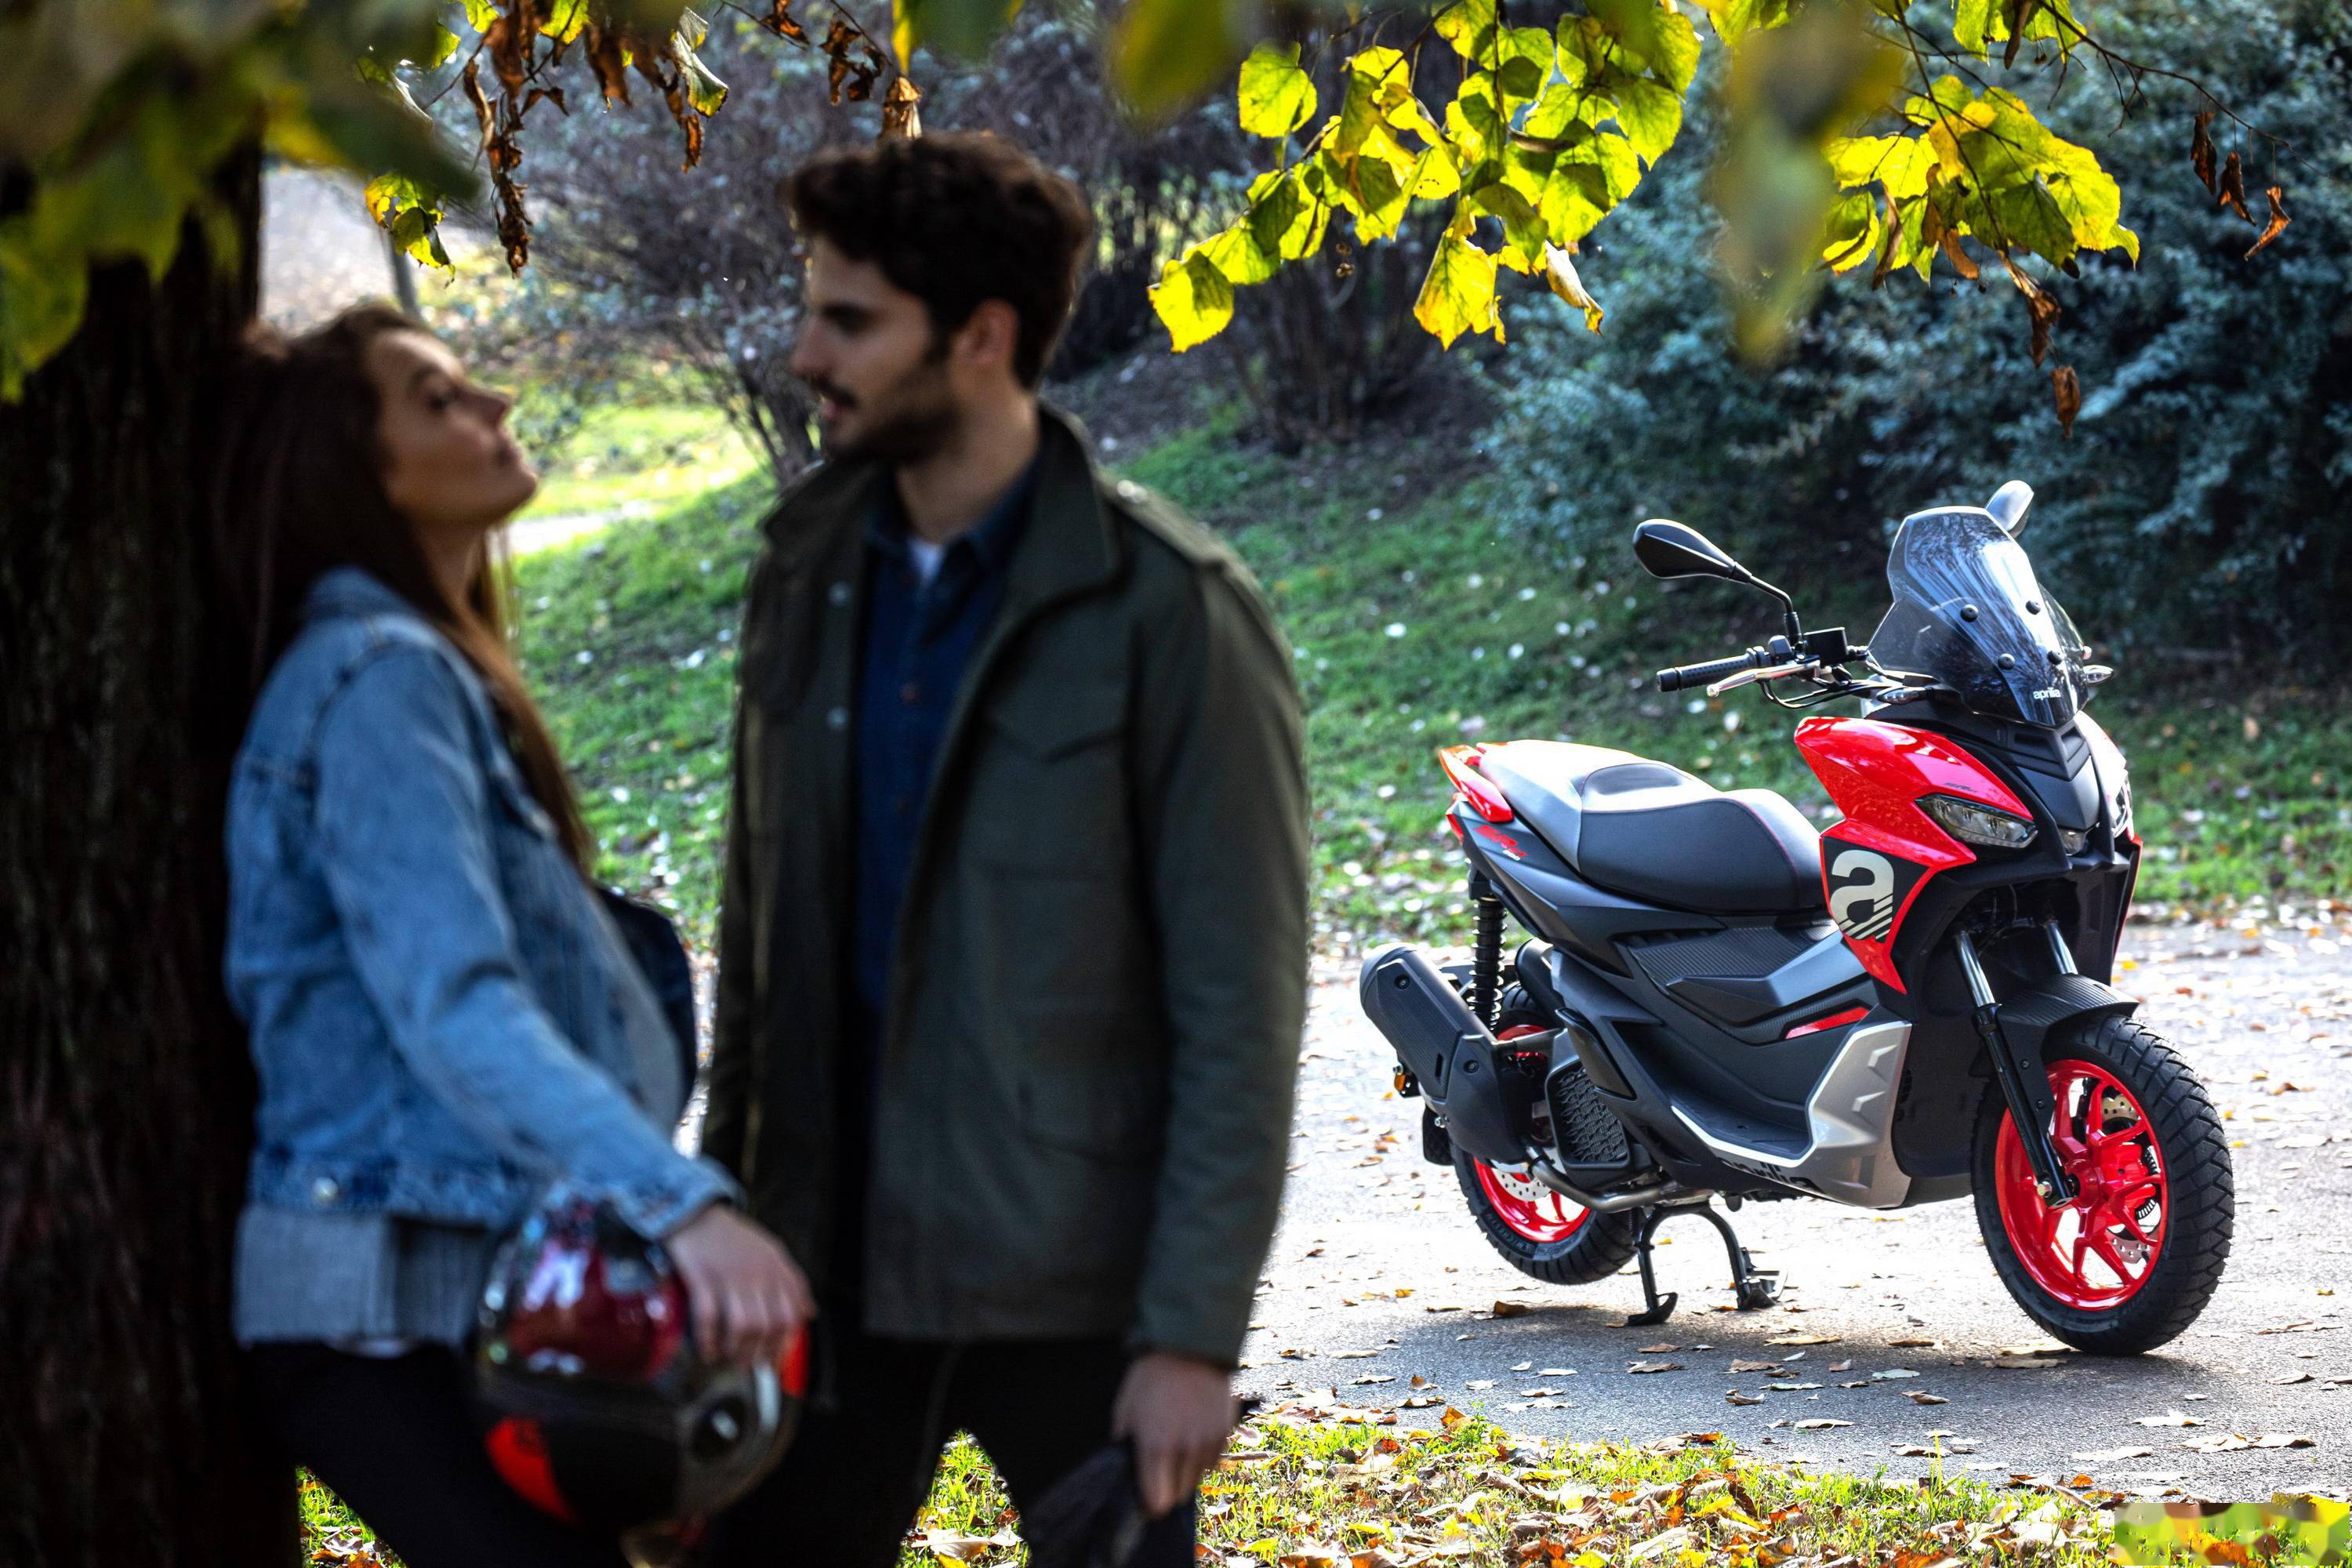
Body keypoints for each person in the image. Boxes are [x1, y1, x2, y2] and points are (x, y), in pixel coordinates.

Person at [703, 133, 1311, 1566]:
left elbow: (1240, 1005)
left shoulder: (1170, 610)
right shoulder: (803, 571)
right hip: (824, 1274)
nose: (805, 356)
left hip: (1078, 1293)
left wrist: (1191, 1338)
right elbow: (757, 941)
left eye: (849, 321)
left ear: (980, 338)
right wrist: (730, 1229)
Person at [214, 305, 812, 1568]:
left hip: (456, 1298)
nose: (494, 406)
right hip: (377, 1312)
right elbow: (457, 1002)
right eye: (439, 399)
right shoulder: (379, 676)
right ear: (362, 473)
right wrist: (679, 1208)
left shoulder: (417, 667)